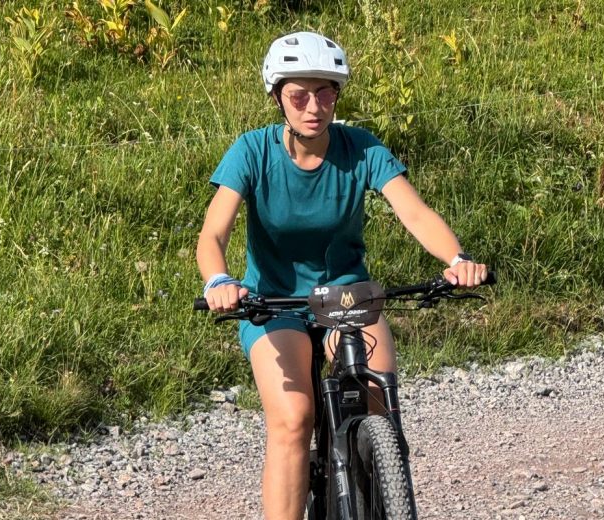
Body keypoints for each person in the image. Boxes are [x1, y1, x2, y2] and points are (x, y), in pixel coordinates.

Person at [196, 31, 488, 520]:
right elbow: (213, 234)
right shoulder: (251, 152)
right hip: (274, 303)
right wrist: (219, 282)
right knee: (293, 420)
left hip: (349, 297)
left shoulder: (361, 148)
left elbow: (415, 214)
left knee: (382, 411)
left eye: (327, 91)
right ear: (277, 97)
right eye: (299, 94)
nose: (314, 105)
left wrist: (457, 260)